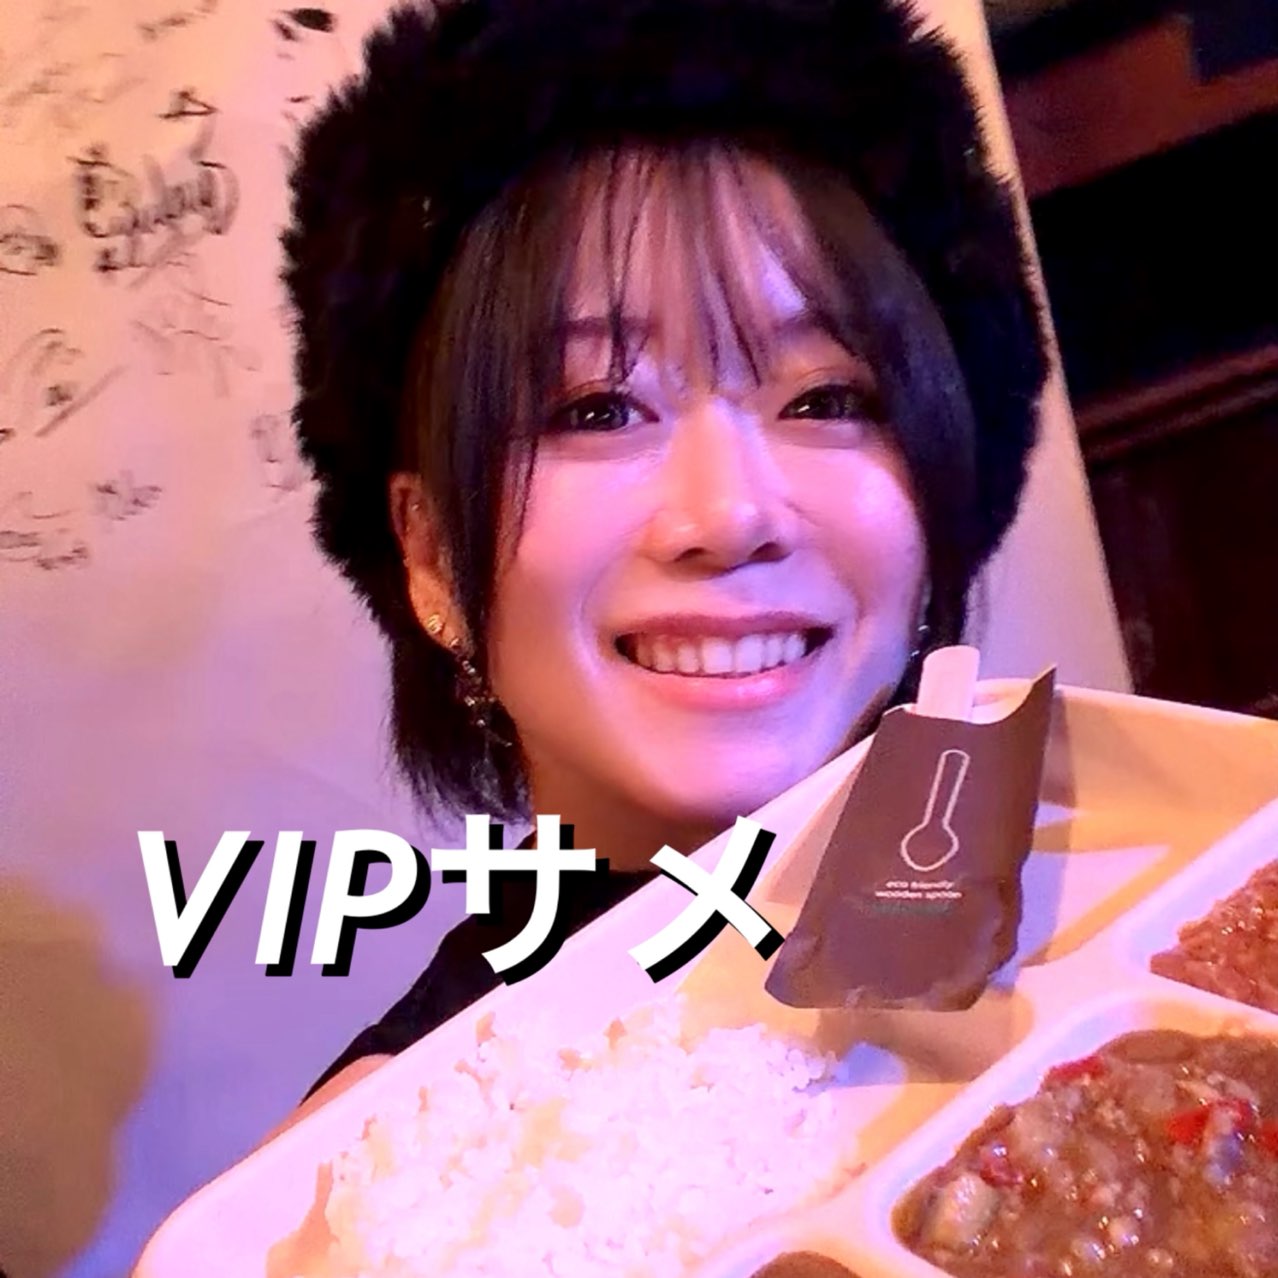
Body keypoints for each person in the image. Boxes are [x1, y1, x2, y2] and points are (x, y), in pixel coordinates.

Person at [277, 0, 1049, 1123]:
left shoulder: (1144, 861)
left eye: (827, 398)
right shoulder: (398, 1147)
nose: (729, 515)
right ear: (431, 555)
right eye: (597, 409)